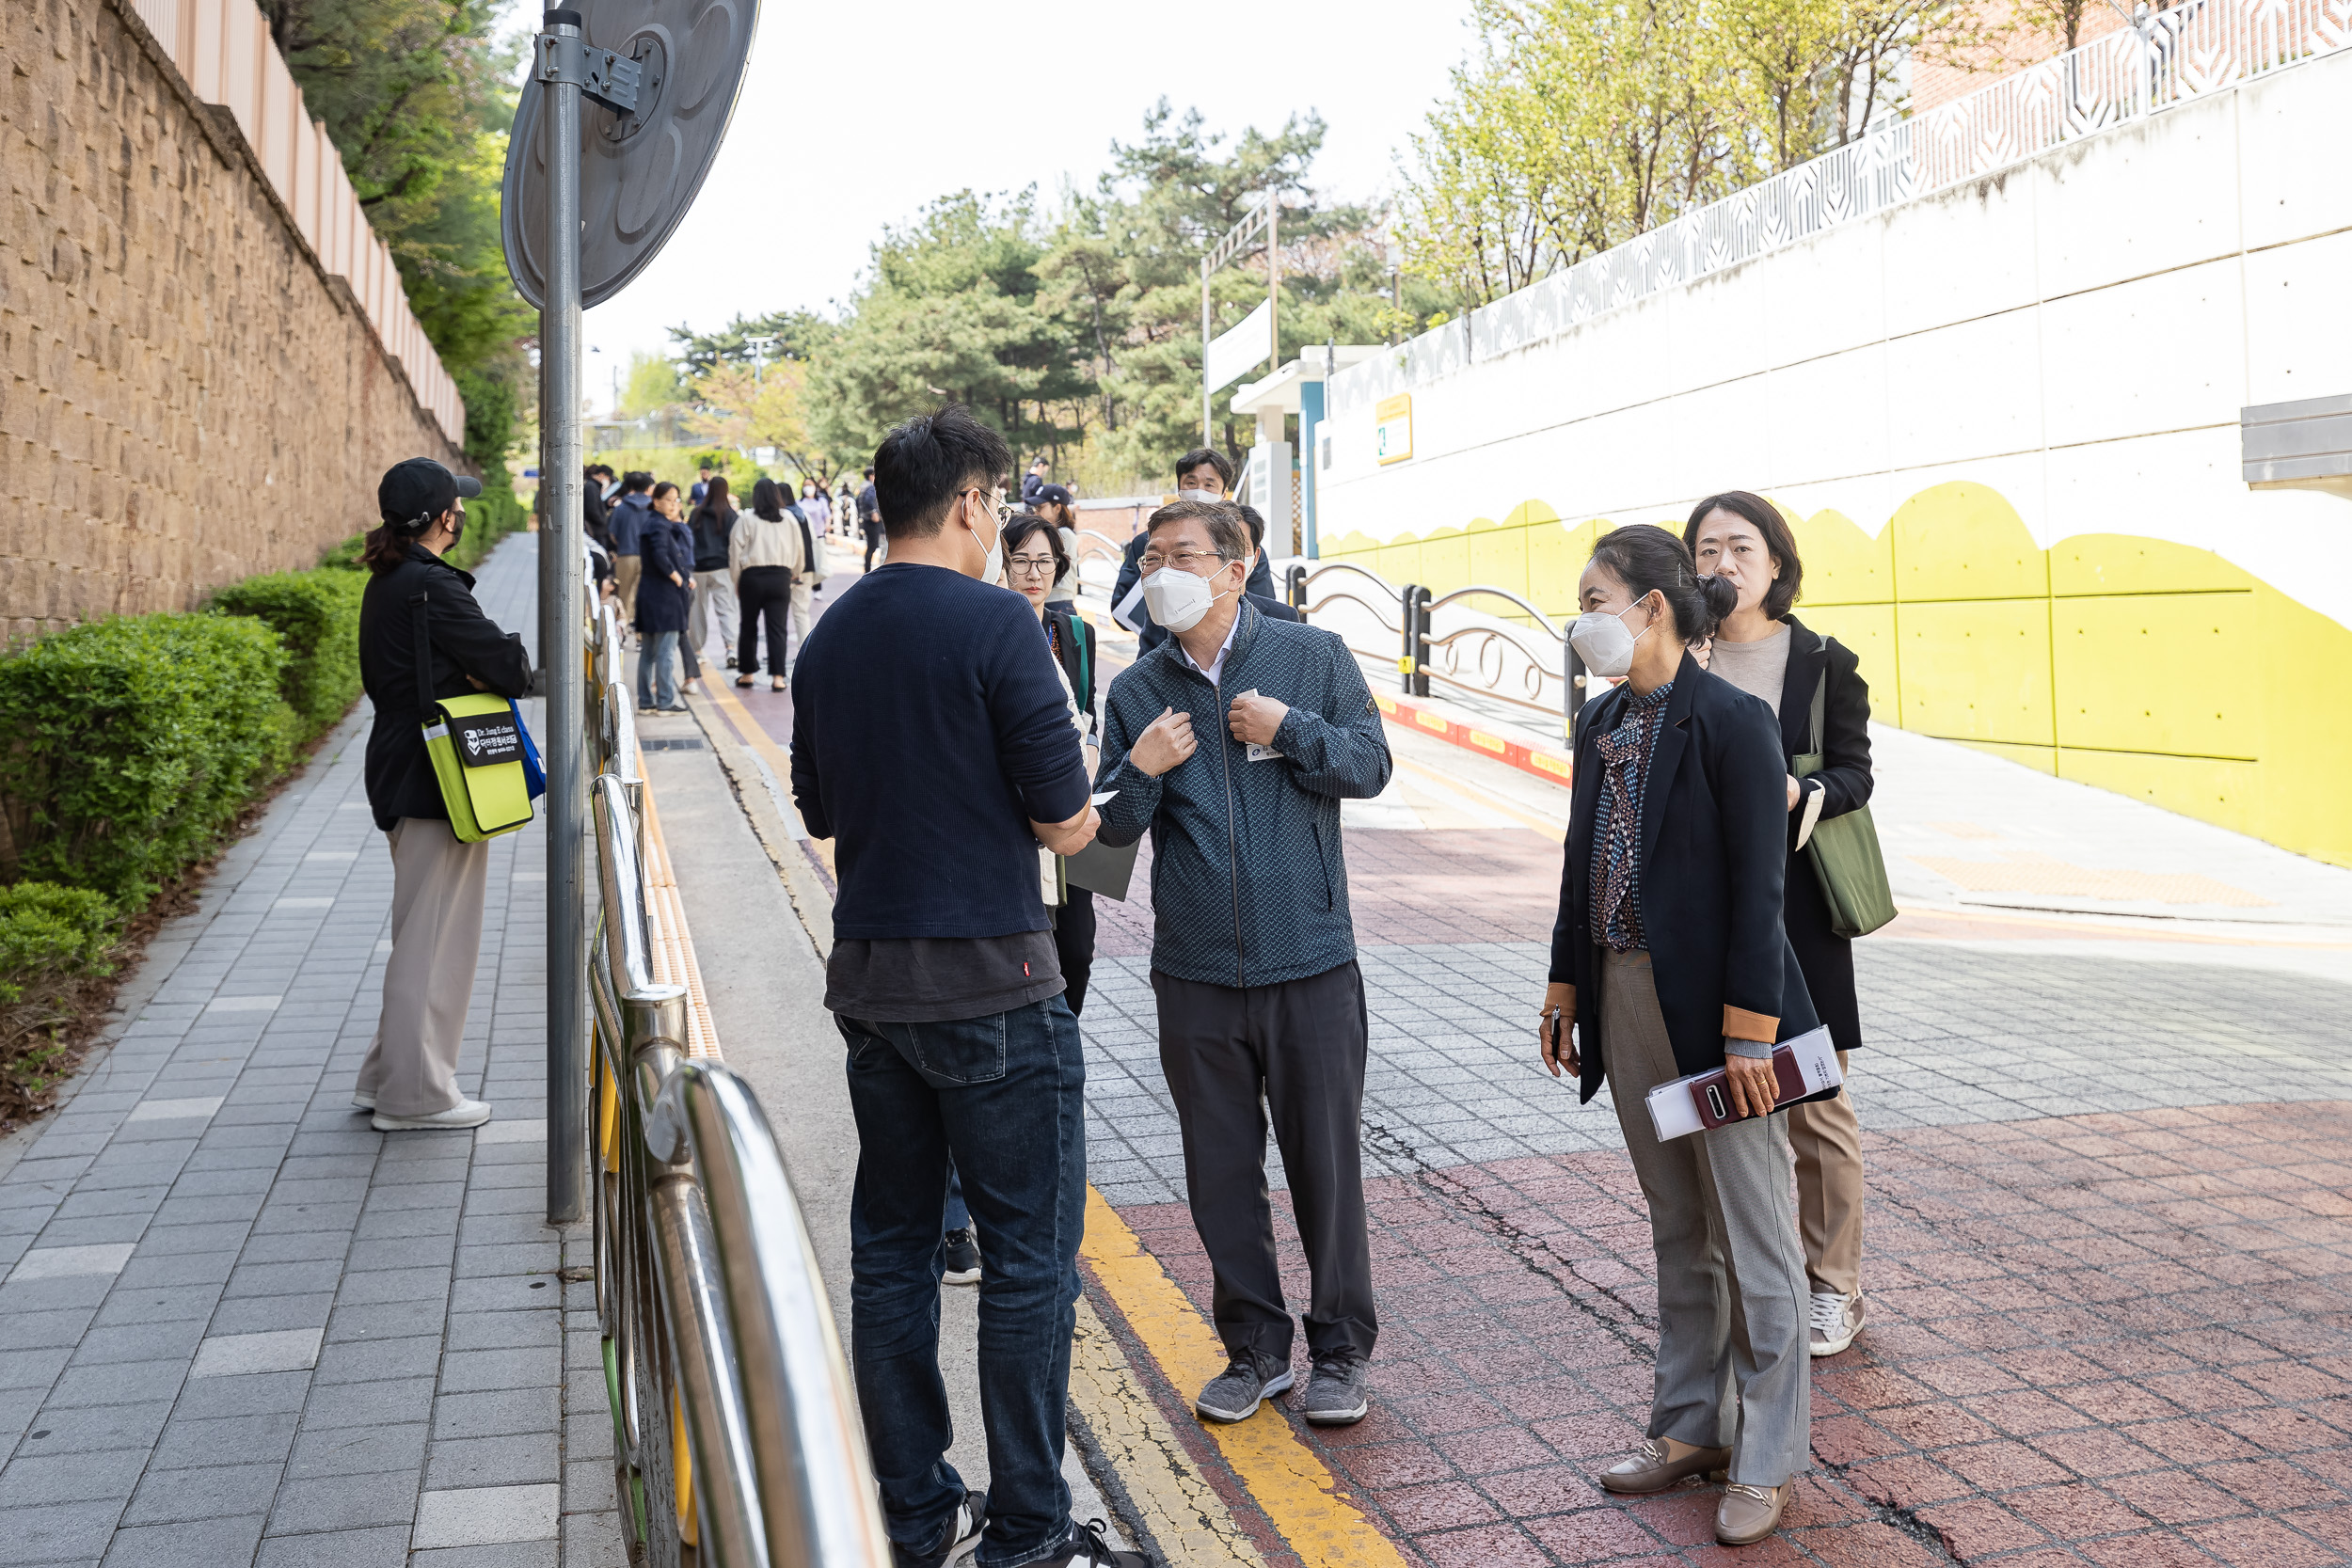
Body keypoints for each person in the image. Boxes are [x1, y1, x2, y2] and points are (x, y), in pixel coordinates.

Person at [788, 405, 1138, 1568]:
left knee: (891, 1246)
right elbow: (1064, 817)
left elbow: (824, 812)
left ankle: (913, 1511)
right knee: (1030, 1257)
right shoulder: (1000, 626)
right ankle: (1031, 1528)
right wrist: (1107, 805)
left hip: (874, 988)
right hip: (997, 980)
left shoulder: (830, 638)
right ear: (972, 505)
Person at [1538, 523, 1821, 1548]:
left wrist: (1750, 1037)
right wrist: (1567, 984)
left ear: (1651, 606)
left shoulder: (1732, 721)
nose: (1583, 618)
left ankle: (1768, 1450)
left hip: (1716, 1016)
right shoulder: (1602, 720)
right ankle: (1691, 1424)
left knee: (1755, 1234)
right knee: (1674, 1224)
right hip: (1623, 995)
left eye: (1593, 596)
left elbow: (1760, 891)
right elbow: (1581, 862)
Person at [1093, 499, 1392, 1430]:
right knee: (1219, 1172)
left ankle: (1339, 1350)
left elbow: (1371, 764)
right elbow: (1101, 853)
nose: (1159, 573)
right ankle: (1254, 1351)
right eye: (1149, 559)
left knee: (1325, 1169)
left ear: (1234, 567)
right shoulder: (1137, 690)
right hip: (1195, 977)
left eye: (1181, 555)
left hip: (1310, 964)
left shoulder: (1313, 657)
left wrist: (1290, 729)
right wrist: (1138, 768)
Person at [1685, 491, 1875, 1359]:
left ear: (1776, 563)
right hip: (1696, 906)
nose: (1723, 564)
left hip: (1795, 903)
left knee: (1816, 1102)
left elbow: (1855, 773)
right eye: (1706, 549)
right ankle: (1744, 1281)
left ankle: (1834, 1286)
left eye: (1740, 547)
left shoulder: (1824, 660)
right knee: (1717, 1104)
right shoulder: (1675, 653)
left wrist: (1809, 791)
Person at [355, 458, 532, 1132]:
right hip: (440, 778)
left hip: (400, 765)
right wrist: (488, 659)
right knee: (435, 941)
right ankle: (418, 1095)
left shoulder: (388, 581)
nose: (461, 513)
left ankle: (385, 1076)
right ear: (442, 518)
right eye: (455, 505)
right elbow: (509, 666)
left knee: (418, 931)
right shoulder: (433, 587)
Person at [1000, 513, 1101, 1015]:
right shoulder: (991, 631)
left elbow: (1088, 708)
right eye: (1021, 561)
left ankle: (1067, 1031)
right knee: (1028, 944)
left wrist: (1091, 750)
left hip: (1072, 801)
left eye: (1044, 561)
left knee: (1078, 947)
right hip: (1018, 815)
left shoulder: (1073, 633)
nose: (1034, 574)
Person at [1112, 452, 1279, 645]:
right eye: (1191, 483)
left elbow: (1262, 606)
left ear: (1224, 493)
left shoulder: (1244, 547)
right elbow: (1121, 608)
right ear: (1179, 489)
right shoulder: (1147, 542)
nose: (1199, 492)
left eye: (1209, 485)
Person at [730, 478, 806, 691]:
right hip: (781, 577)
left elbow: (735, 551)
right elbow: (799, 548)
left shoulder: (746, 518)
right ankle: (778, 678)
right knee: (778, 628)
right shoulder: (789, 518)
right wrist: (796, 573)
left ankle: (747, 674)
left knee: (748, 626)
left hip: (752, 578)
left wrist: (736, 579)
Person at [634, 482, 693, 713]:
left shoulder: (652, 523)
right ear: (656, 500)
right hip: (664, 597)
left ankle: (646, 701)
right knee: (665, 652)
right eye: (668, 499)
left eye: (676, 499)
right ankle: (665, 700)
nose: (673, 504)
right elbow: (660, 556)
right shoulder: (660, 526)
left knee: (648, 652)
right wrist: (677, 577)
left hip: (649, 594)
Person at [688, 475, 741, 671]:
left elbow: (688, 540)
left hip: (698, 569)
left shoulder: (696, 513)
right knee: (726, 609)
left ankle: (698, 651)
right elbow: (736, 545)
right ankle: (731, 649)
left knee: (697, 611)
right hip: (722, 568)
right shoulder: (731, 515)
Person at [609, 470, 654, 631]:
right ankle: (642, 633)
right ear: (648, 486)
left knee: (623, 595)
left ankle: (622, 629)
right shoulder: (653, 506)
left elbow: (613, 534)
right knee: (645, 594)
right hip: (648, 557)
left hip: (625, 555)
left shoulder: (621, 508)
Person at [1030, 484, 1080, 613]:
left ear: (1057, 508)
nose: (1036, 512)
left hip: (1058, 604)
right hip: (1050, 603)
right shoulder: (1053, 533)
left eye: (1040, 507)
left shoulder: (1064, 534)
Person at [858, 465, 885, 571]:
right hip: (872, 521)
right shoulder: (870, 487)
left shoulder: (863, 486)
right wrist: (874, 513)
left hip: (865, 520)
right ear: (871, 476)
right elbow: (869, 501)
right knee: (873, 546)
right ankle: (867, 569)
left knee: (871, 546)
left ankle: (867, 568)